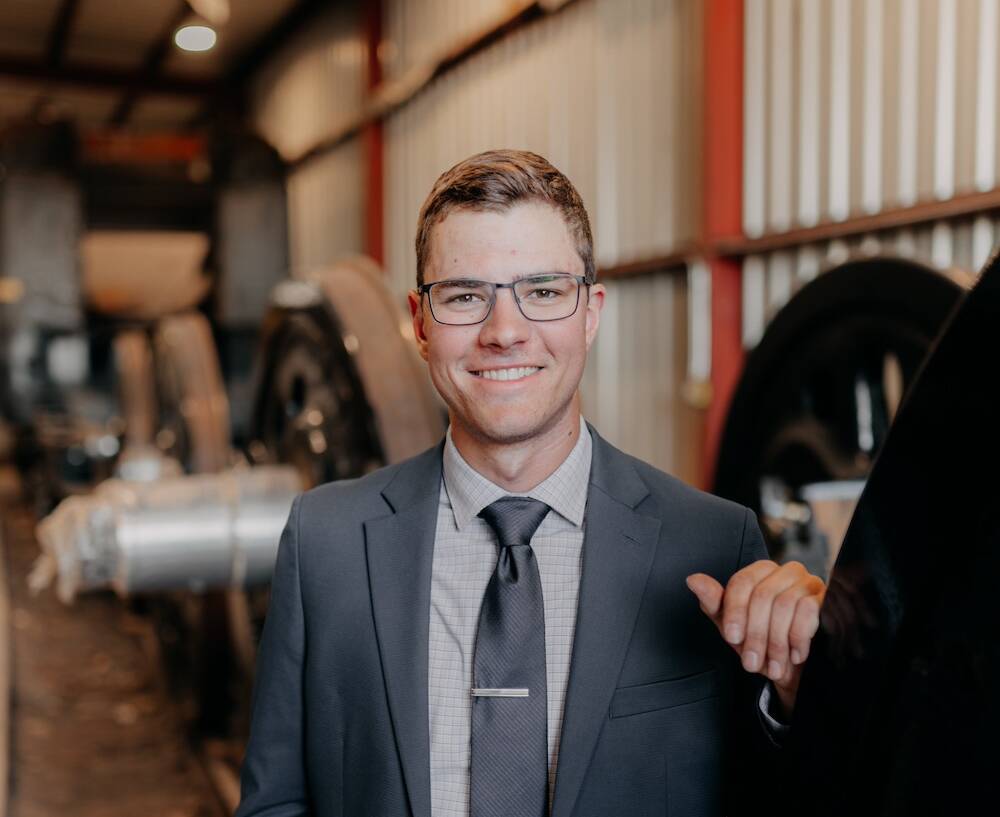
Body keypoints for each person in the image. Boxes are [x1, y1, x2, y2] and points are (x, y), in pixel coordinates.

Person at [235, 150, 826, 817]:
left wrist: (802, 693)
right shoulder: (326, 545)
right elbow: (274, 802)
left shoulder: (712, 543)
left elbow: (775, 794)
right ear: (420, 323)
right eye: (464, 296)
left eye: (543, 291)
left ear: (591, 312)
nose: (505, 332)